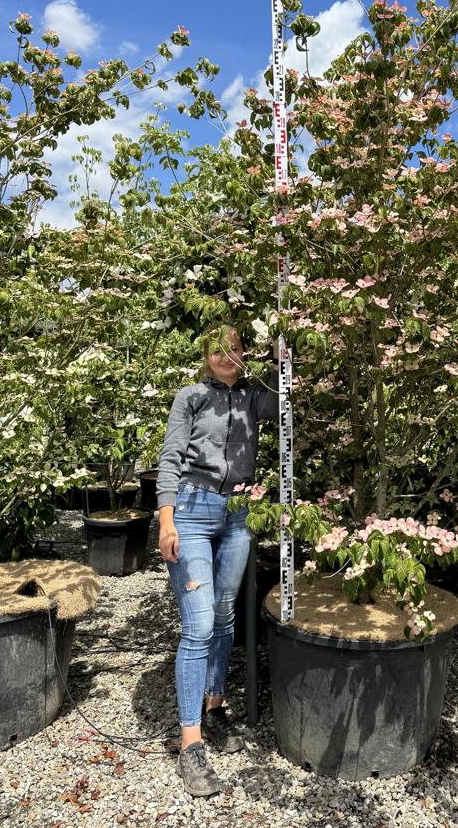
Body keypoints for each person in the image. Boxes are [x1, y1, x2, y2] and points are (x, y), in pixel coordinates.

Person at [156, 325, 279, 797]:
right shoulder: (191, 397)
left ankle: (214, 706)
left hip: (237, 513)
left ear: (244, 353)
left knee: (226, 614)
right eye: (217, 350)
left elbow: (284, 397)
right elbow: (170, 459)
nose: (226, 356)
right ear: (206, 356)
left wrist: (282, 345)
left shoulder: (254, 397)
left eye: (235, 349)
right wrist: (166, 520)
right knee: (200, 623)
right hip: (190, 509)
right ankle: (190, 744)